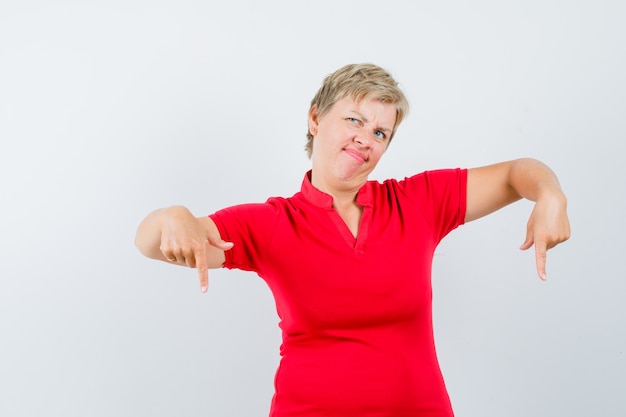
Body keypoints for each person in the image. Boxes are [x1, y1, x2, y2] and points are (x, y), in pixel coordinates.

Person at [135, 63, 570, 417]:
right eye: (354, 120)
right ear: (315, 118)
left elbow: (518, 172)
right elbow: (152, 241)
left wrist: (550, 192)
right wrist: (173, 216)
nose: (366, 138)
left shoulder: (418, 202)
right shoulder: (270, 223)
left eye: (381, 133)